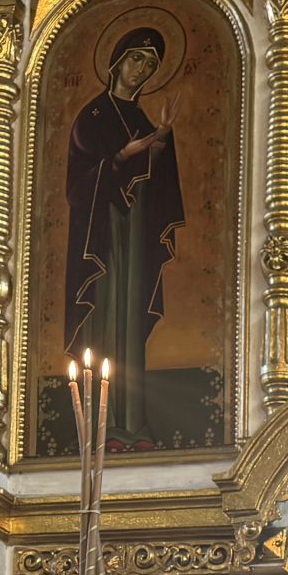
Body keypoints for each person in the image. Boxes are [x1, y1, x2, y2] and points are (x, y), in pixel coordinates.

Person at [65, 29, 186, 441]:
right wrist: (119, 157)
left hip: (135, 240)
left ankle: (133, 424)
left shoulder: (140, 120)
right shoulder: (94, 116)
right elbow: (77, 187)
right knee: (107, 316)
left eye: (150, 66)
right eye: (136, 59)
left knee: (130, 321)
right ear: (117, 61)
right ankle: (104, 426)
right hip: (103, 243)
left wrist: (161, 139)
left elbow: (155, 179)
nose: (142, 71)